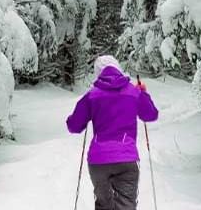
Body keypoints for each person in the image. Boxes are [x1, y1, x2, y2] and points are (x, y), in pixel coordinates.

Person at [66, 55, 159, 210]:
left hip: (98, 161)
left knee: (104, 206)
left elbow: (74, 126)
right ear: (118, 70)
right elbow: (151, 115)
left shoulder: (92, 95)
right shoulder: (133, 92)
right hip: (126, 159)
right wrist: (143, 94)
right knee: (126, 205)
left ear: (98, 73)